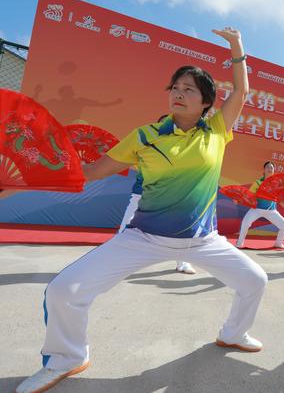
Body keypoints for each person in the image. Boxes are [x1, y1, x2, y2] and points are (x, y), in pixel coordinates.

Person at [14, 28, 269, 393]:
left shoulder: (216, 130)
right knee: (63, 291)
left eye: (189, 89)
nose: (179, 93)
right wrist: (26, 178)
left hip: (202, 240)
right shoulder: (145, 136)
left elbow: (242, 92)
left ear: (206, 103)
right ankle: (68, 357)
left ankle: (234, 333)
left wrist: (237, 47)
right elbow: (90, 172)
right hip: (144, 237)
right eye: (175, 88)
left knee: (255, 281)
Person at [118, 114, 197, 275]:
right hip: (142, 195)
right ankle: (115, 259)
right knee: (126, 227)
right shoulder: (145, 145)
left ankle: (183, 263)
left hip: (172, 198)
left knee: (181, 229)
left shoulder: (181, 150)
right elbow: (121, 160)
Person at [236, 152, 284, 250]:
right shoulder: (258, 182)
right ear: (264, 170)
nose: (270, 169)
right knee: (246, 223)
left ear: (274, 170)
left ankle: (278, 243)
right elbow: (248, 195)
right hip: (257, 209)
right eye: (268, 167)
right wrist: (238, 200)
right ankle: (239, 243)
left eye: (271, 168)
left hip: (271, 211)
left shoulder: (277, 181)